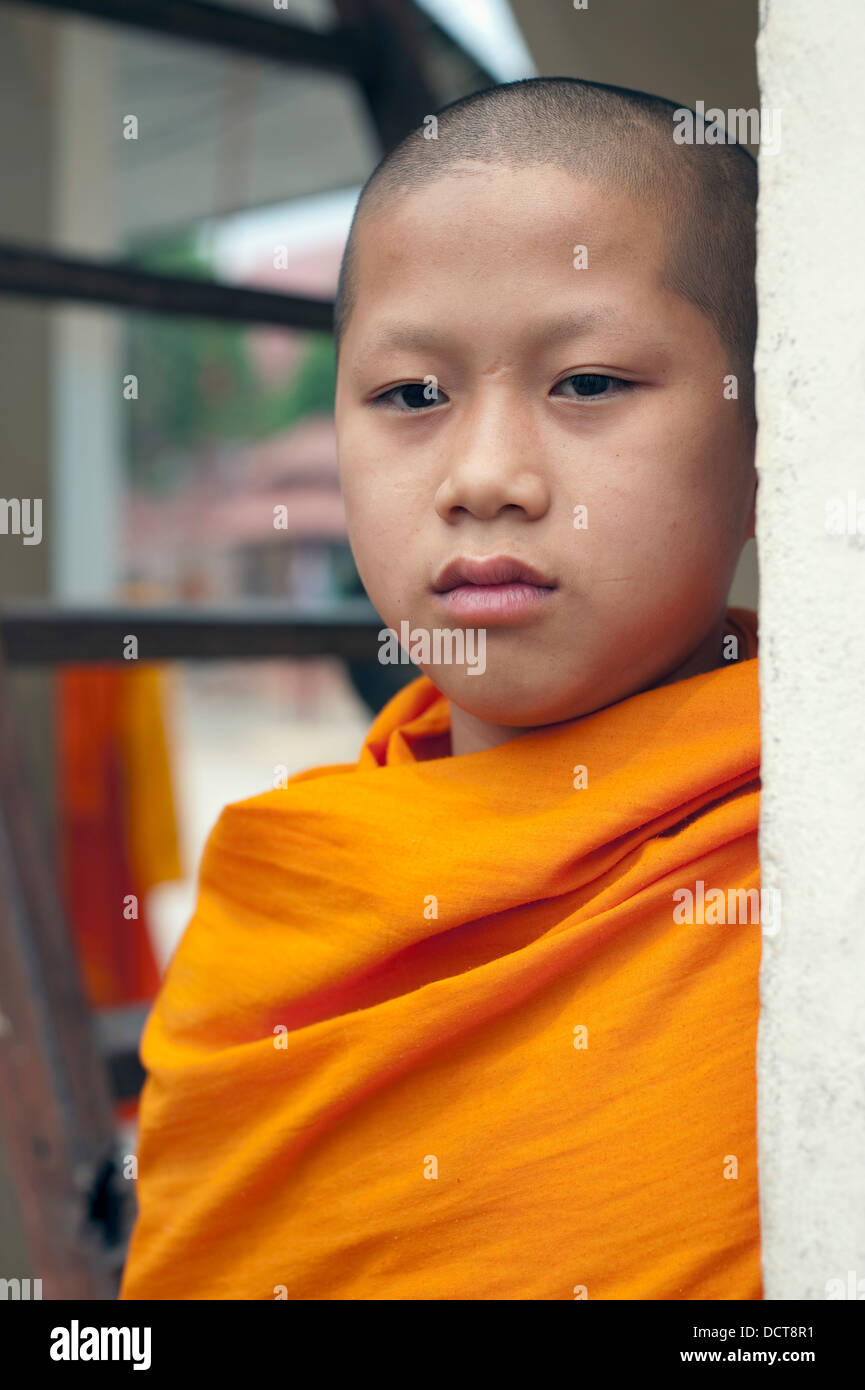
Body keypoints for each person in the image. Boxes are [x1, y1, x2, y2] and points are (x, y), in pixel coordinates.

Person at [119, 76, 762, 1300]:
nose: (484, 477)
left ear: (760, 444)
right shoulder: (285, 893)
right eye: (412, 395)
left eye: (587, 382)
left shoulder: (804, 845)